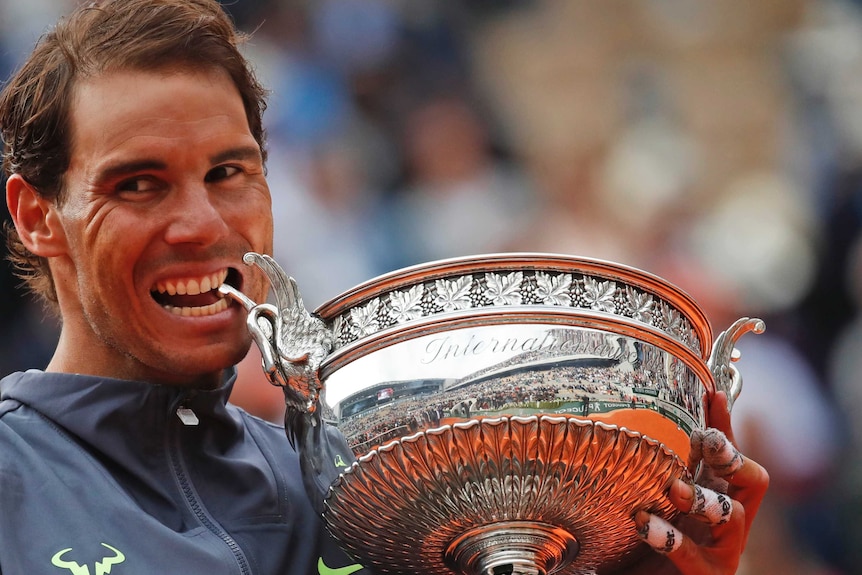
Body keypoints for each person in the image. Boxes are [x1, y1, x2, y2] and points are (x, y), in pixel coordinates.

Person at [0, 1, 768, 574]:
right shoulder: (13, 479)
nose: (201, 224)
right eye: (139, 184)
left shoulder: (369, 485)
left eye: (228, 173)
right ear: (37, 215)